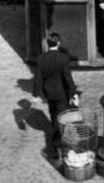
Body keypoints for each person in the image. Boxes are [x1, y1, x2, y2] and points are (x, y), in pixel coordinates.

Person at [33, 30, 76, 158]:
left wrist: (35, 94)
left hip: (49, 93)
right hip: (62, 94)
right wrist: (74, 93)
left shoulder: (41, 59)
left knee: (53, 116)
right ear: (59, 43)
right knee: (62, 118)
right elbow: (68, 78)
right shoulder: (63, 58)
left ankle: (56, 140)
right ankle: (56, 145)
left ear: (47, 44)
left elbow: (38, 79)